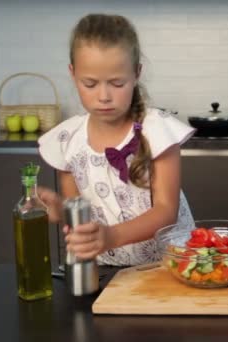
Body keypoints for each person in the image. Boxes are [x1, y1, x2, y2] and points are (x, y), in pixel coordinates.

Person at [37, 14, 195, 266]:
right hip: (107, 271)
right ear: (72, 73)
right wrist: (61, 211)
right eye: (89, 84)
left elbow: (166, 211)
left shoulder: (157, 131)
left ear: (136, 73)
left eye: (117, 83)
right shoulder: (67, 140)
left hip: (171, 267)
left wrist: (112, 236)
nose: (104, 96)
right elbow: (79, 215)